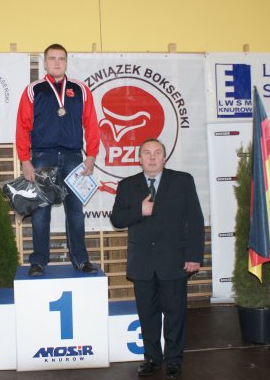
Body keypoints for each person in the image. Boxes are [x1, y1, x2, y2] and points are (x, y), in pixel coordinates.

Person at [110, 138, 204, 379]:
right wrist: (139, 211)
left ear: (164, 157)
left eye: (157, 152)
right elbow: (117, 219)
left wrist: (194, 256)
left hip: (174, 260)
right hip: (141, 262)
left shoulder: (183, 181)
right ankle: (152, 358)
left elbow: (195, 220)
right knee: (147, 315)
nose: (152, 157)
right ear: (139, 159)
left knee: (175, 315)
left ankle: (174, 360)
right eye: (147, 153)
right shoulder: (127, 185)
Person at [15, 43, 100, 277]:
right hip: (42, 156)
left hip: (73, 157)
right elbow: (22, 126)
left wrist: (91, 155)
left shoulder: (81, 89)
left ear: (66, 62)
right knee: (40, 213)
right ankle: (39, 261)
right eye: (52, 58)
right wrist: (25, 160)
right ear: (44, 63)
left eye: (61, 58)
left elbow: (91, 124)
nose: (57, 62)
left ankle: (80, 260)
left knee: (76, 212)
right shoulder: (34, 90)